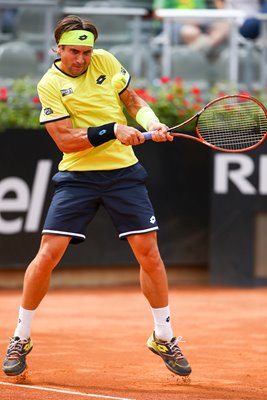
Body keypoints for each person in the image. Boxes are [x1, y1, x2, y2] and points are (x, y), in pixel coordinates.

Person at [2, 15, 192, 378]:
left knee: (149, 253)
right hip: (78, 177)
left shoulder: (104, 60)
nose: (82, 58)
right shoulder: (50, 83)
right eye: (74, 51)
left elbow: (133, 101)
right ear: (58, 48)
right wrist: (112, 130)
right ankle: (20, 337)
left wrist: (150, 122)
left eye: (87, 51)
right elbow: (64, 138)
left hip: (123, 174)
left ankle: (163, 335)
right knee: (47, 255)